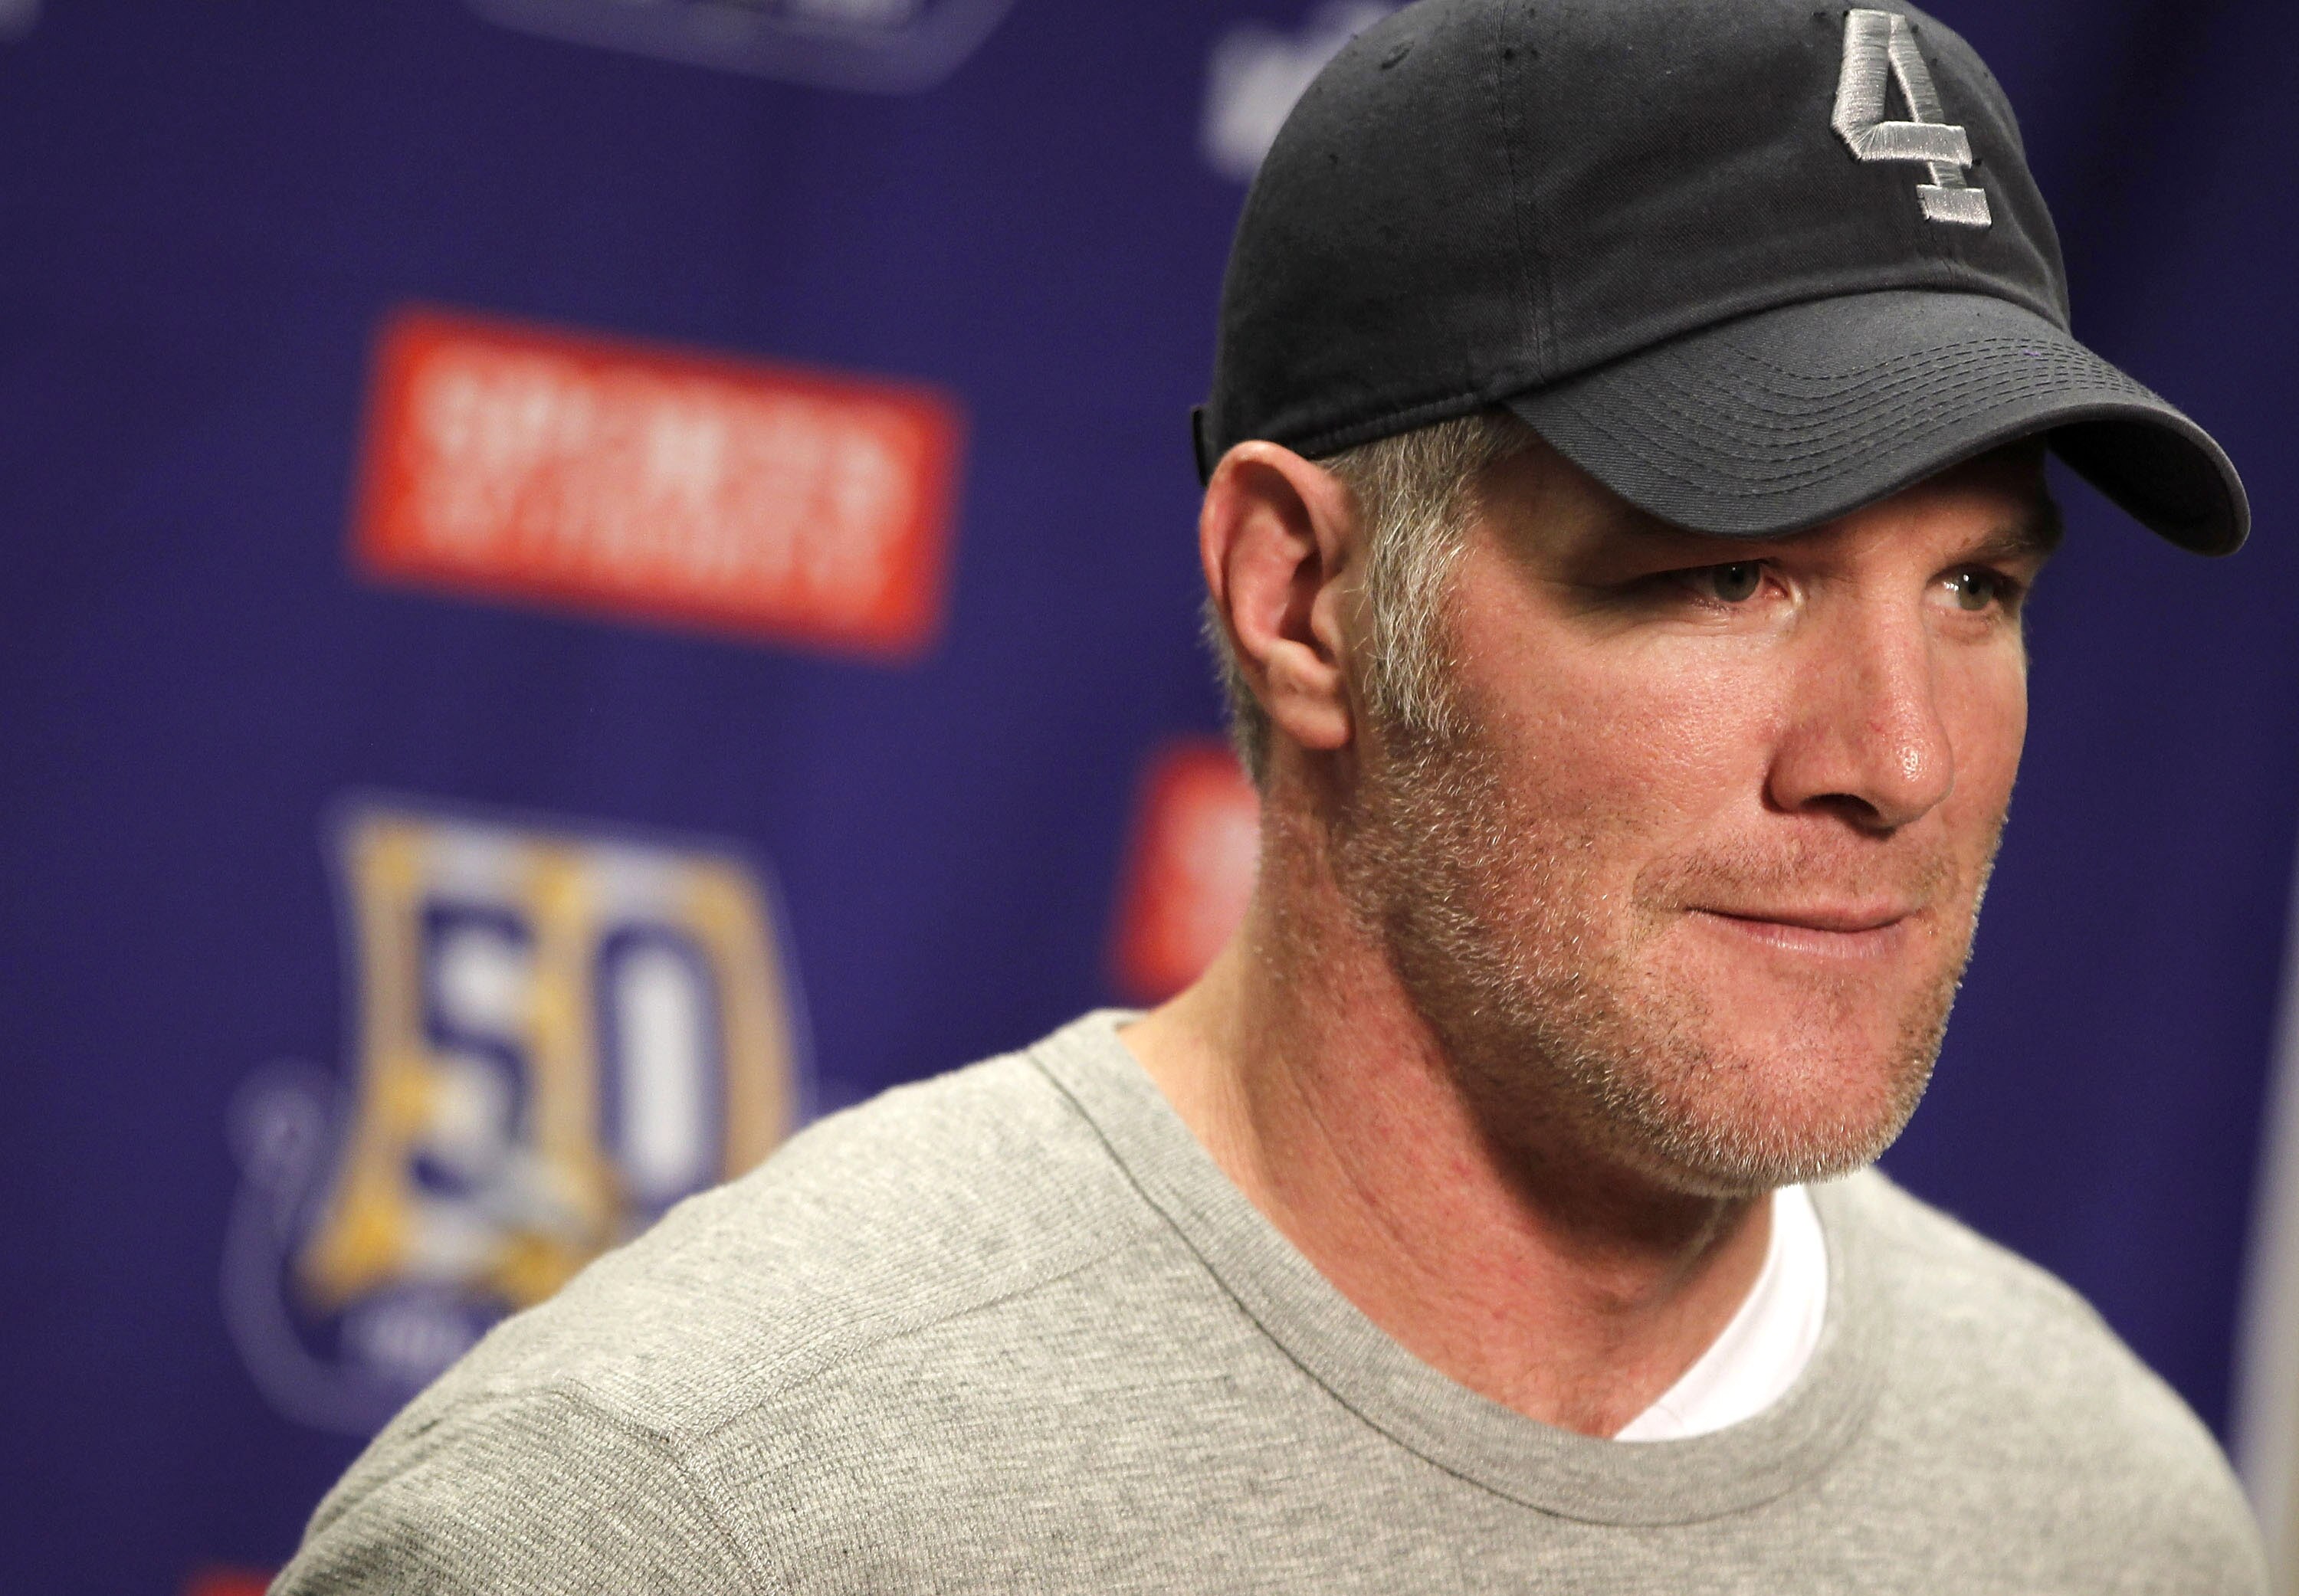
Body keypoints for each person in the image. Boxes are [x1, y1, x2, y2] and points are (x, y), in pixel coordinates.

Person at [276, 1, 2264, 1590]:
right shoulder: (665, 1518)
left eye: (1978, 587)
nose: (1896, 757)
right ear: (1298, 596)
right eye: (1728, 572)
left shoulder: (2110, 1509)